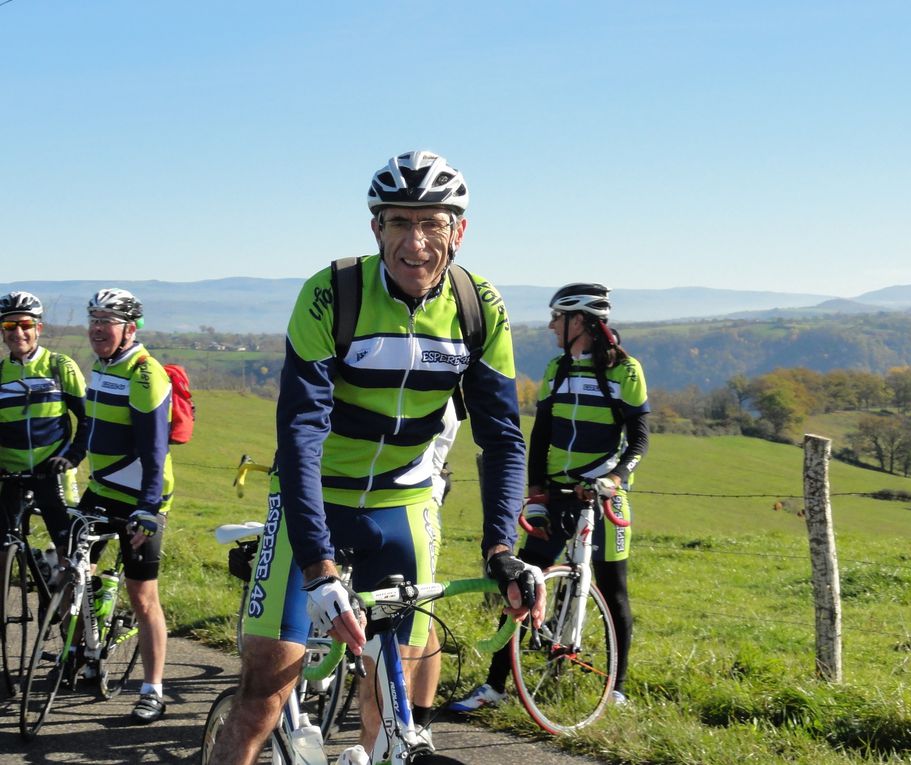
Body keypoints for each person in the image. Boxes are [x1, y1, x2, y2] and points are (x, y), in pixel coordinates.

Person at [211, 150, 544, 765]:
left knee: (394, 704)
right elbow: (302, 434)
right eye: (399, 223)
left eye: (433, 224)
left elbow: (500, 436)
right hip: (314, 499)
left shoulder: (479, 305)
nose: (416, 243)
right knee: (263, 691)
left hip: (405, 506)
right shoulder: (332, 293)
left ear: (459, 231)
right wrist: (317, 567)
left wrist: (501, 549)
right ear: (376, 229)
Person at [451, 282, 649, 710]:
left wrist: (614, 478)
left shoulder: (626, 370)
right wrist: (536, 490)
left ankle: (617, 689)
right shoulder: (557, 369)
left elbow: (638, 441)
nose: (551, 325)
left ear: (580, 322)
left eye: (557, 317)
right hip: (556, 498)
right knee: (522, 588)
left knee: (614, 592)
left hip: (603, 500)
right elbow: (538, 437)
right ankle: (496, 687)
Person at [79, 288, 174, 724]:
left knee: (144, 596)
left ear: (129, 329)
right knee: (69, 568)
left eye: (108, 321)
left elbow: (154, 451)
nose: (99, 329)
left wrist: (148, 509)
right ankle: (88, 644)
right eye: (94, 319)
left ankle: (153, 689)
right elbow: (94, 428)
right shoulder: (100, 366)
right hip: (101, 490)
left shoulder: (143, 373)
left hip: (140, 499)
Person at [0, 291, 87, 557]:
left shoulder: (60, 366)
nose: (18, 333)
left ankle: (65, 592)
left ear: (38, 328)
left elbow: (87, 419)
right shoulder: (1, 372)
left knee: (68, 551)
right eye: (9, 325)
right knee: (3, 550)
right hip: (10, 475)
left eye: (25, 325)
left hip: (52, 471)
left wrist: (73, 456)